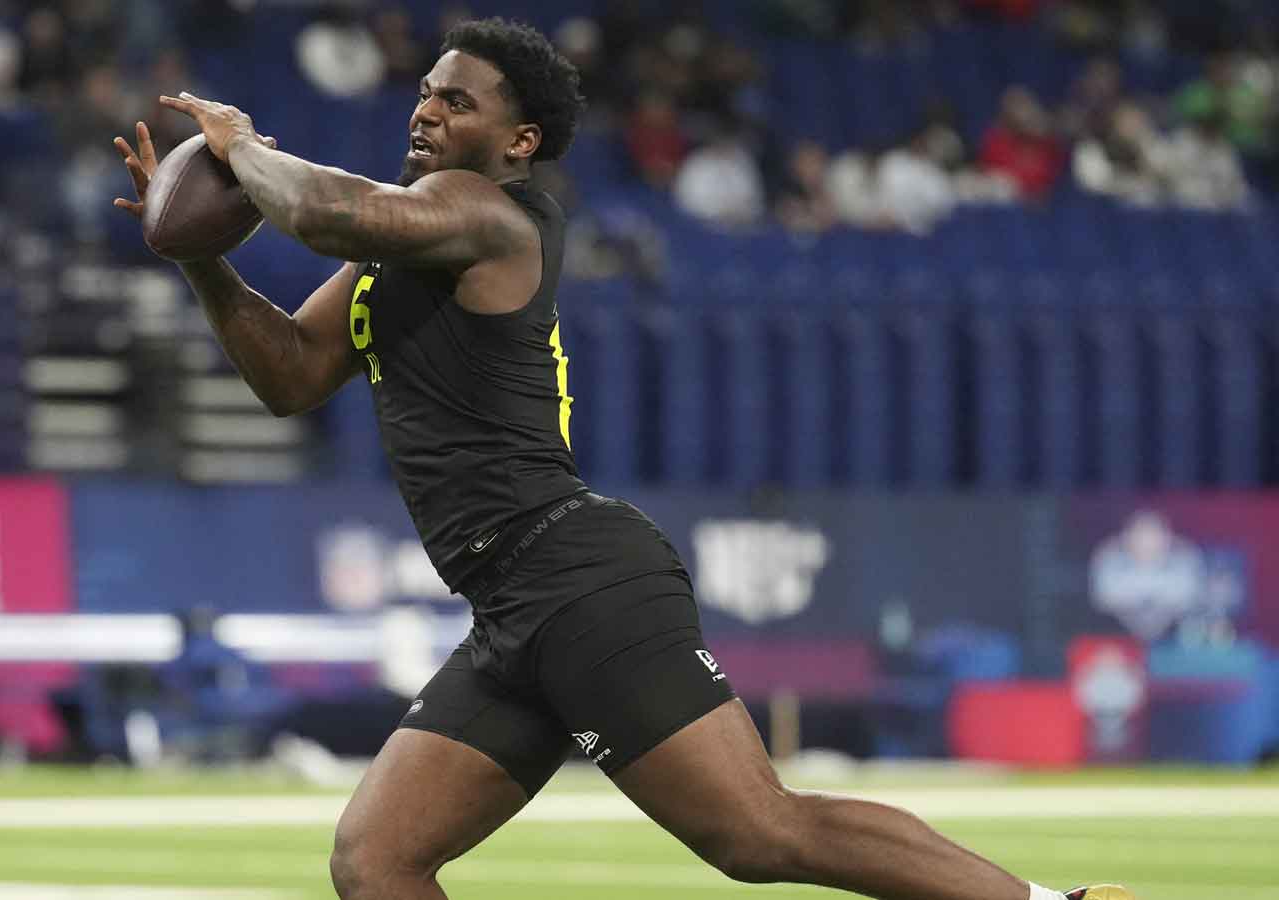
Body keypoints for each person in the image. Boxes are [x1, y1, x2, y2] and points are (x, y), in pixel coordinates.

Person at [112, 17, 1132, 900]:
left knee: (755, 835)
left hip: (576, 579)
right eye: (424, 92)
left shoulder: (487, 211)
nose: (424, 112)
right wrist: (203, 258)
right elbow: (289, 375)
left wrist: (238, 146)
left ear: (516, 142)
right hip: (512, 603)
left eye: (455, 102)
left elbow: (326, 209)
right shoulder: (403, 244)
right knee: (377, 860)